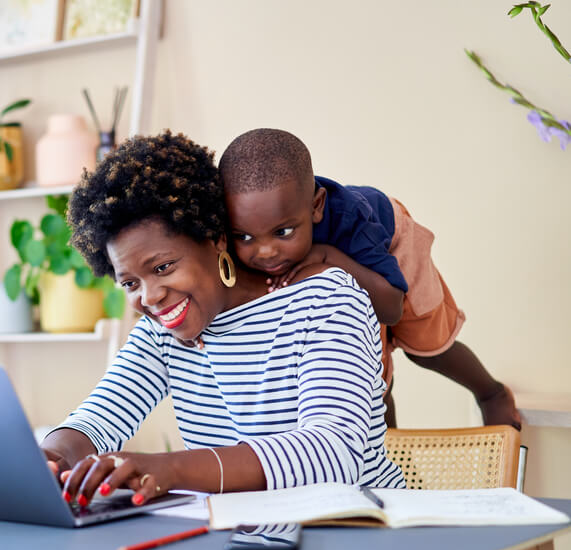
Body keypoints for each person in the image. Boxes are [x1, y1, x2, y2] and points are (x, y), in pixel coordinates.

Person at [41, 131, 405, 509]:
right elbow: (98, 418)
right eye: (130, 282)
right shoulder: (162, 332)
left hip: (359, 528)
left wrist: (172, 469)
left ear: (214, 238)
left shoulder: (325, 299)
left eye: (163, 267)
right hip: (245, 537)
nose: (149, 297)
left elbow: (332, 453)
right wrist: (50, 460)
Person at [217, 128, 520, 429]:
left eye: (282, 232)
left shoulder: (353, 220)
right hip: (338, 265)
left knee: (427, 349)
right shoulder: (239, 231)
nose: (266, 252)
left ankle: (491, 393)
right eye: (244, 237)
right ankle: (391, 468)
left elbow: (391, 308)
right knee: (369, 382)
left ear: (316, 207)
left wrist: (328, 257)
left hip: (388, 247)